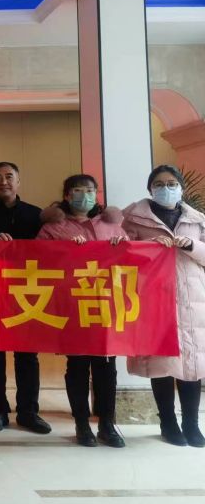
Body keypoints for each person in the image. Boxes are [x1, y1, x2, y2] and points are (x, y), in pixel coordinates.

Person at [37, 174, 126, 448]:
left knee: (106, 367)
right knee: (77, 366)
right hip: (72, 304)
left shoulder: (111, 225)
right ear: (66, 195)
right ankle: (82, 423)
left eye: (90, 190)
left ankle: (107, 424)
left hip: (105, 305)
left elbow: (129, 260)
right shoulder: (53, 227)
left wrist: (119, 248)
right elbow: (37, 259)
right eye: (77, 190)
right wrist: (63, 250)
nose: (84, 195)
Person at [123, 165, 205, 447]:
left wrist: (191, 245)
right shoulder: (133, 218)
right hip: (154, 298)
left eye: (171, 184)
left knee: (191, 365)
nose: (165, 189)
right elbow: (123, 257)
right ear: (150, 189)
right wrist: (148, 249)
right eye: (159, 184)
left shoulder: (197, 219)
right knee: (162, 364)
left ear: (181, 187)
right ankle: (168, 422)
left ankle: (192, 424)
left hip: (191, 298)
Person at [0, 162, 50, 434]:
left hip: (27, 292)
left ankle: (28, 412)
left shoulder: (36, 215)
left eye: (9, 177)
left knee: (27, 355)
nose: (3, 181)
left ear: (18, 181)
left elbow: (49, 250)